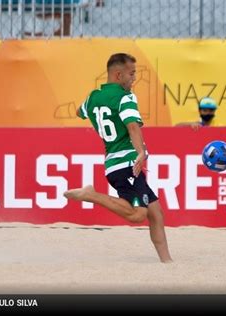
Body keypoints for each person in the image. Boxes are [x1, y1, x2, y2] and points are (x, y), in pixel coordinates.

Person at [63, 53, 173, 263]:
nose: (134, 79)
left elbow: (80, 111)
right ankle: (91, 194)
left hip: (114, 165)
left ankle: (167, 262)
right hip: (128, 163)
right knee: (138, 214)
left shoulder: (93, 97)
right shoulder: (125, 97)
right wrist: (141, 151)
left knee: (155, 212)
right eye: (131, 74)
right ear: (118, 74)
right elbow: (132, 126)